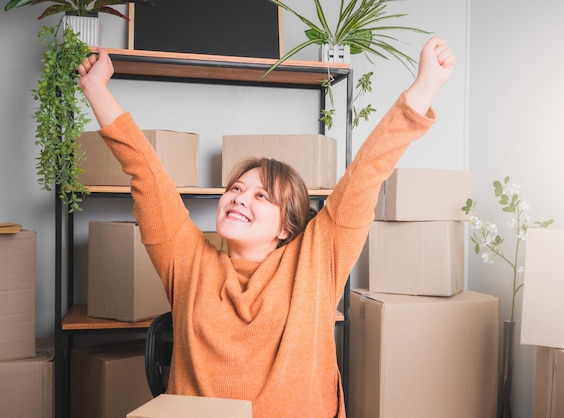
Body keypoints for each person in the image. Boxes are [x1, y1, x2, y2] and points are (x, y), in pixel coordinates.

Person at [78, 36, 455, 418]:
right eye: (237, 188)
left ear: (286, 226)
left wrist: (425, 85)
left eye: (262, 196)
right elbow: (146, 173)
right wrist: (97, 90)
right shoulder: (189, 262)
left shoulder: (316, 259)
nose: (240, 197)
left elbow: (367, 173)